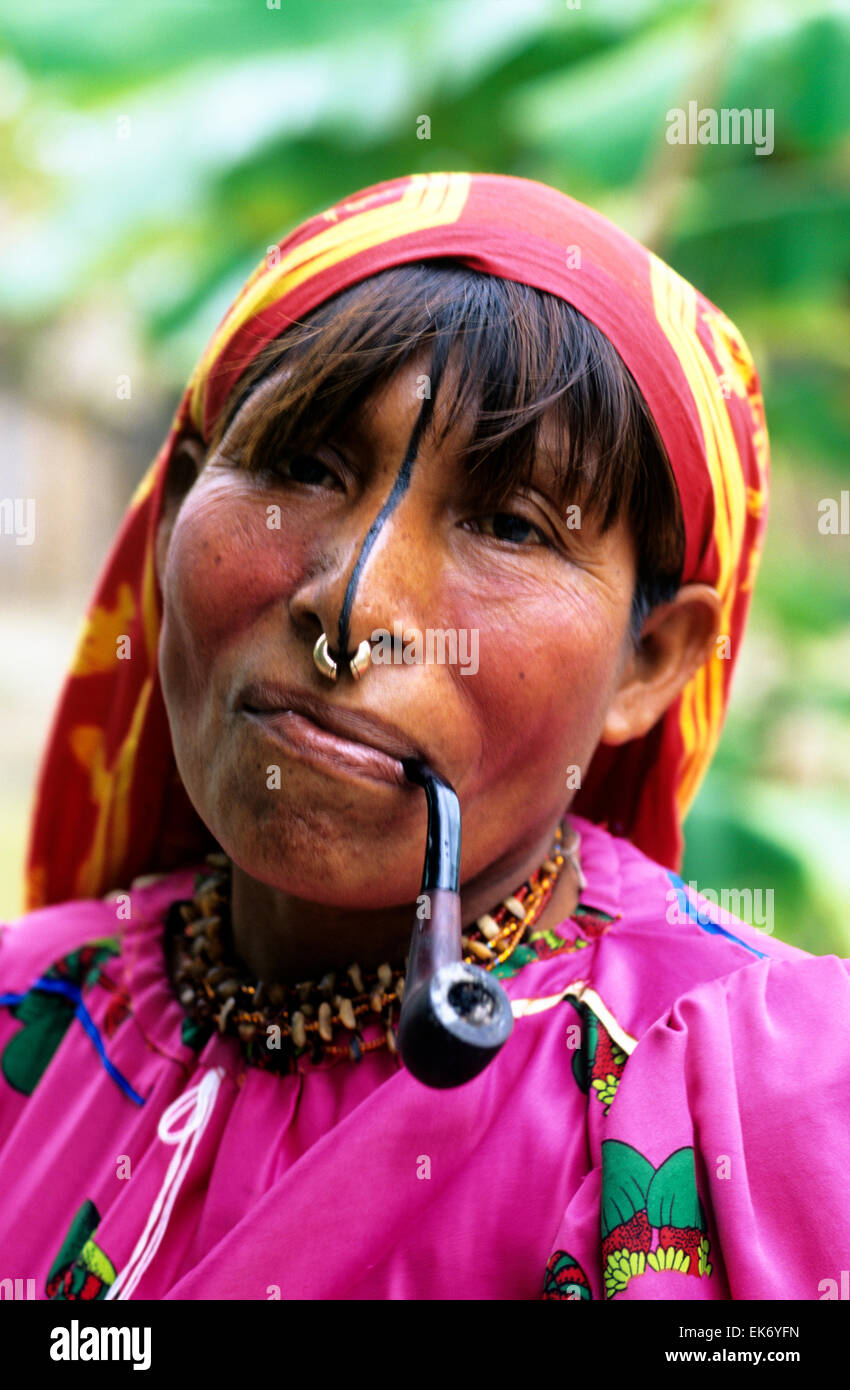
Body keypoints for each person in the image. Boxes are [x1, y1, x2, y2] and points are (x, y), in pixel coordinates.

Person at [1, 171, 848, 1302]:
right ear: (180, 502)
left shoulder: (766, 1096)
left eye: (509, 524)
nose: (352, 606)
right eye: (301, 468)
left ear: (649, 663)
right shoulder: (29, 1010)